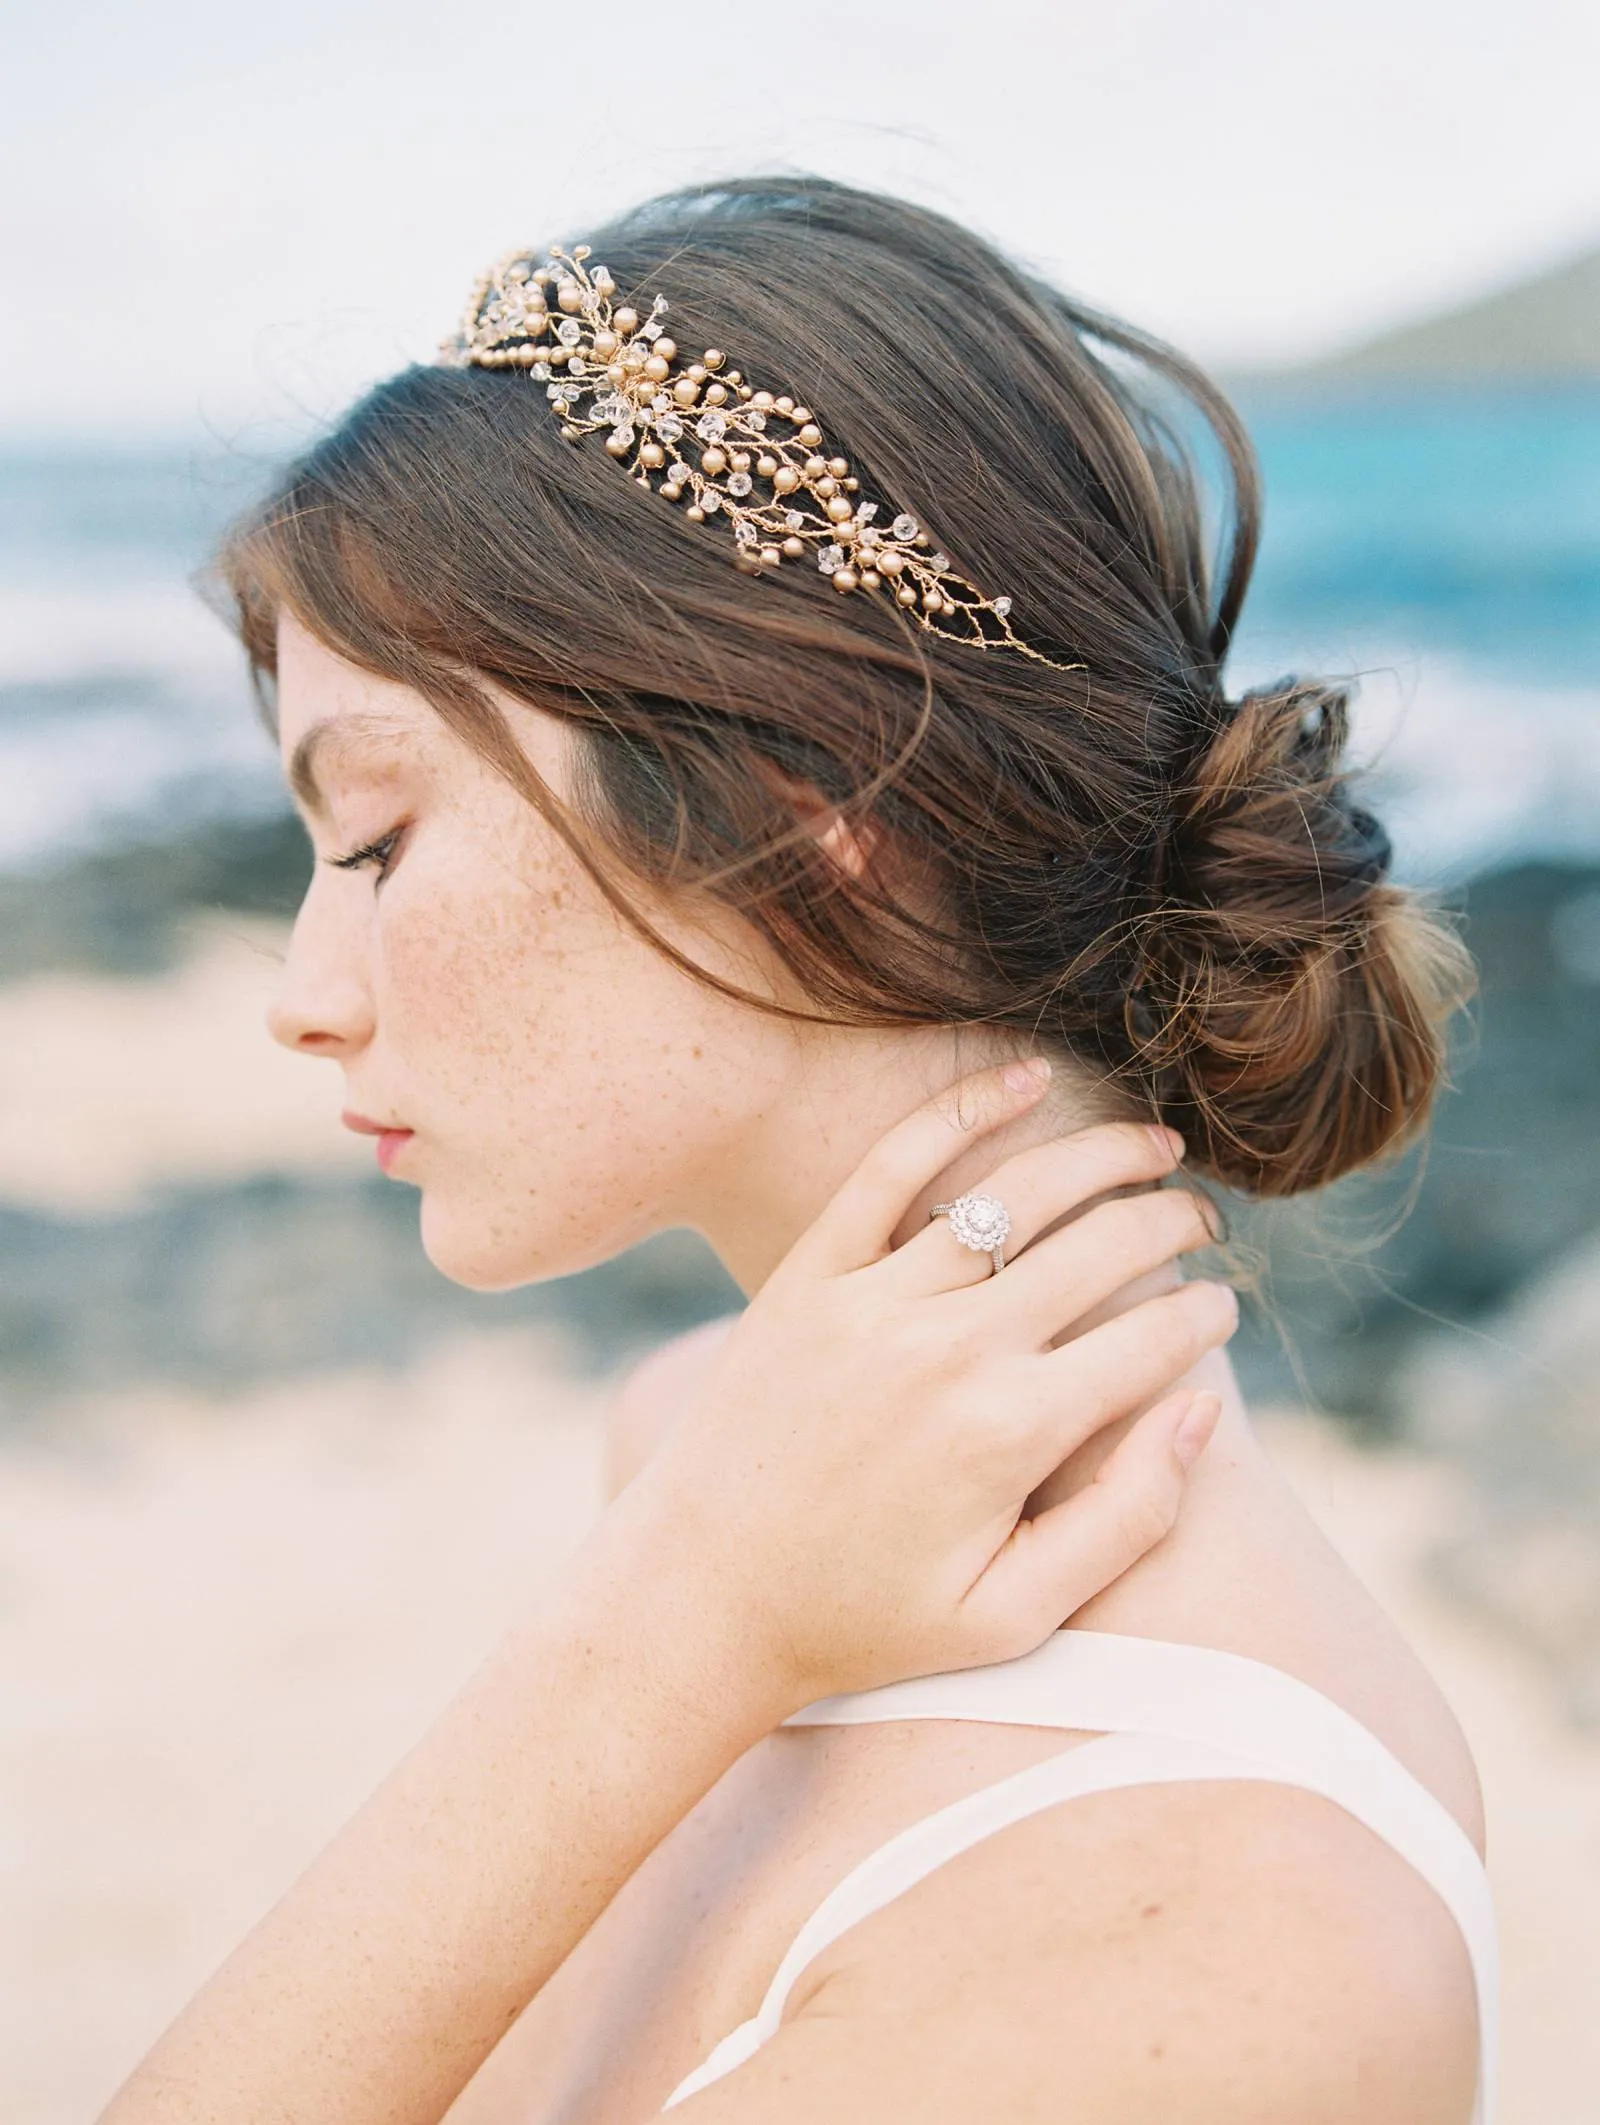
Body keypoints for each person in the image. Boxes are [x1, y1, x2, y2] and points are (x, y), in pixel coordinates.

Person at [106, 176, 1490, 2123]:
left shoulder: (1216, 1958)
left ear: (802, 806)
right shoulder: (705, 1459)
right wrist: (681, 1610)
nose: (304, 994)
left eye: (374, 838)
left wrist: (663, 1630)